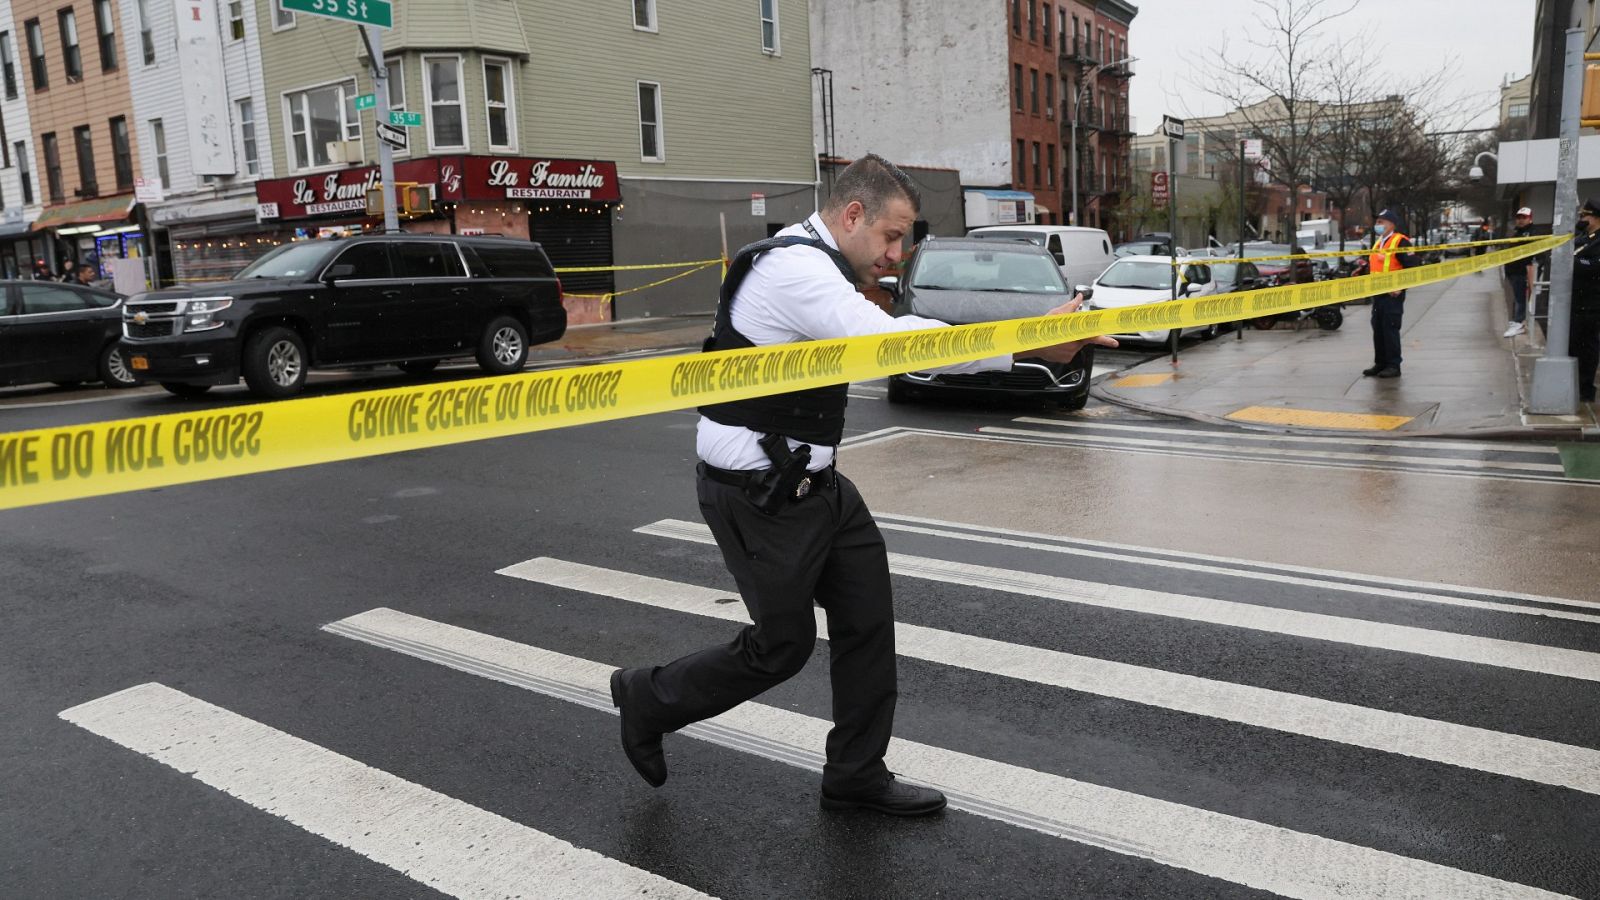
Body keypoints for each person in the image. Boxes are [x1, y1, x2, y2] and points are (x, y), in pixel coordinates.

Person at [607, 154, 1117, 816]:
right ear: (853, 216)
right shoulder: (792, 269)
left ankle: (855, 772)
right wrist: (1030, 340)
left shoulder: (818, 268)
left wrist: (1036, 336)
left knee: (868, 623)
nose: (897, 255)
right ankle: (648, 698)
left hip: (816, 485)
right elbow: (892, 345)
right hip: (759, 491)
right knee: (780, 649)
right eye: (890, 237)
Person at [1359, 208, 1417, 378]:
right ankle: (1381, 363)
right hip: (1378, 294)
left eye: (1381, 222)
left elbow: (1412, 267)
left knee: (1390, 328)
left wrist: (1401, 287)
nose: (1377, 225)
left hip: (1393, 295)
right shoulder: (1379, 242)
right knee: (1378, 328)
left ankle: (1393, 365)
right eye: (1377, 222)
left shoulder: (1401, 242)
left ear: (1392, 224)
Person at [1570, 199, 1600, 404]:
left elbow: (1592, 266)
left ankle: (1586, 391)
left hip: (1591, 305)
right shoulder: (1582, 237)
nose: (1582, 219)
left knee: (1587, 350)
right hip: (1575, 302)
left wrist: (1572, 261)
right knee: (1572, 348)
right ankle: (1575, 386)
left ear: (1596, 218)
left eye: (1585, 216)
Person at [1503, 207, 1536, 337]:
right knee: (1518, 297)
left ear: (1530, 218)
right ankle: (1517, 321)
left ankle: (1519, 323)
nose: (1521, 220)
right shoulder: (1518, 232)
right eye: (1519, 218)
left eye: (1524, 218)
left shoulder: (1531, 233)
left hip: (1522, 271)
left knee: (1521, 298)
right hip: (1513, 271)